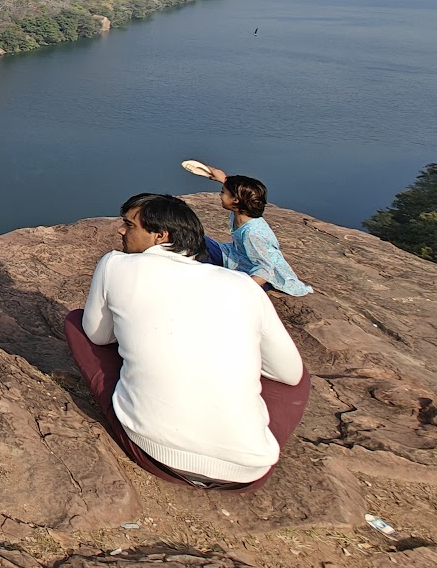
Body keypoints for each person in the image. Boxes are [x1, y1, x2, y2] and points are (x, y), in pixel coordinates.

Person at [65, 194, 310, 490]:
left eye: (129, 225)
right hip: (247, 473)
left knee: (77, 323)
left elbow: (97, 336)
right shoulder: (243, 285)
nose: (120, 230)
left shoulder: (114, 264)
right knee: (296, 377)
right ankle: (243, 435)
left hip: (153, 454)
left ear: (161, 235)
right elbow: (290, 374)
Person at [197, 168, 313, 295]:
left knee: (204, 262)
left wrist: (241, 288)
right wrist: (223, 179)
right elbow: (238, 191)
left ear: (235, 200)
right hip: (240, 256)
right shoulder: (240, 212)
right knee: (196, 240)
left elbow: (266, 269)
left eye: (223, 192)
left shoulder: (252, 233)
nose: (220, 195)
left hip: (260, 273)